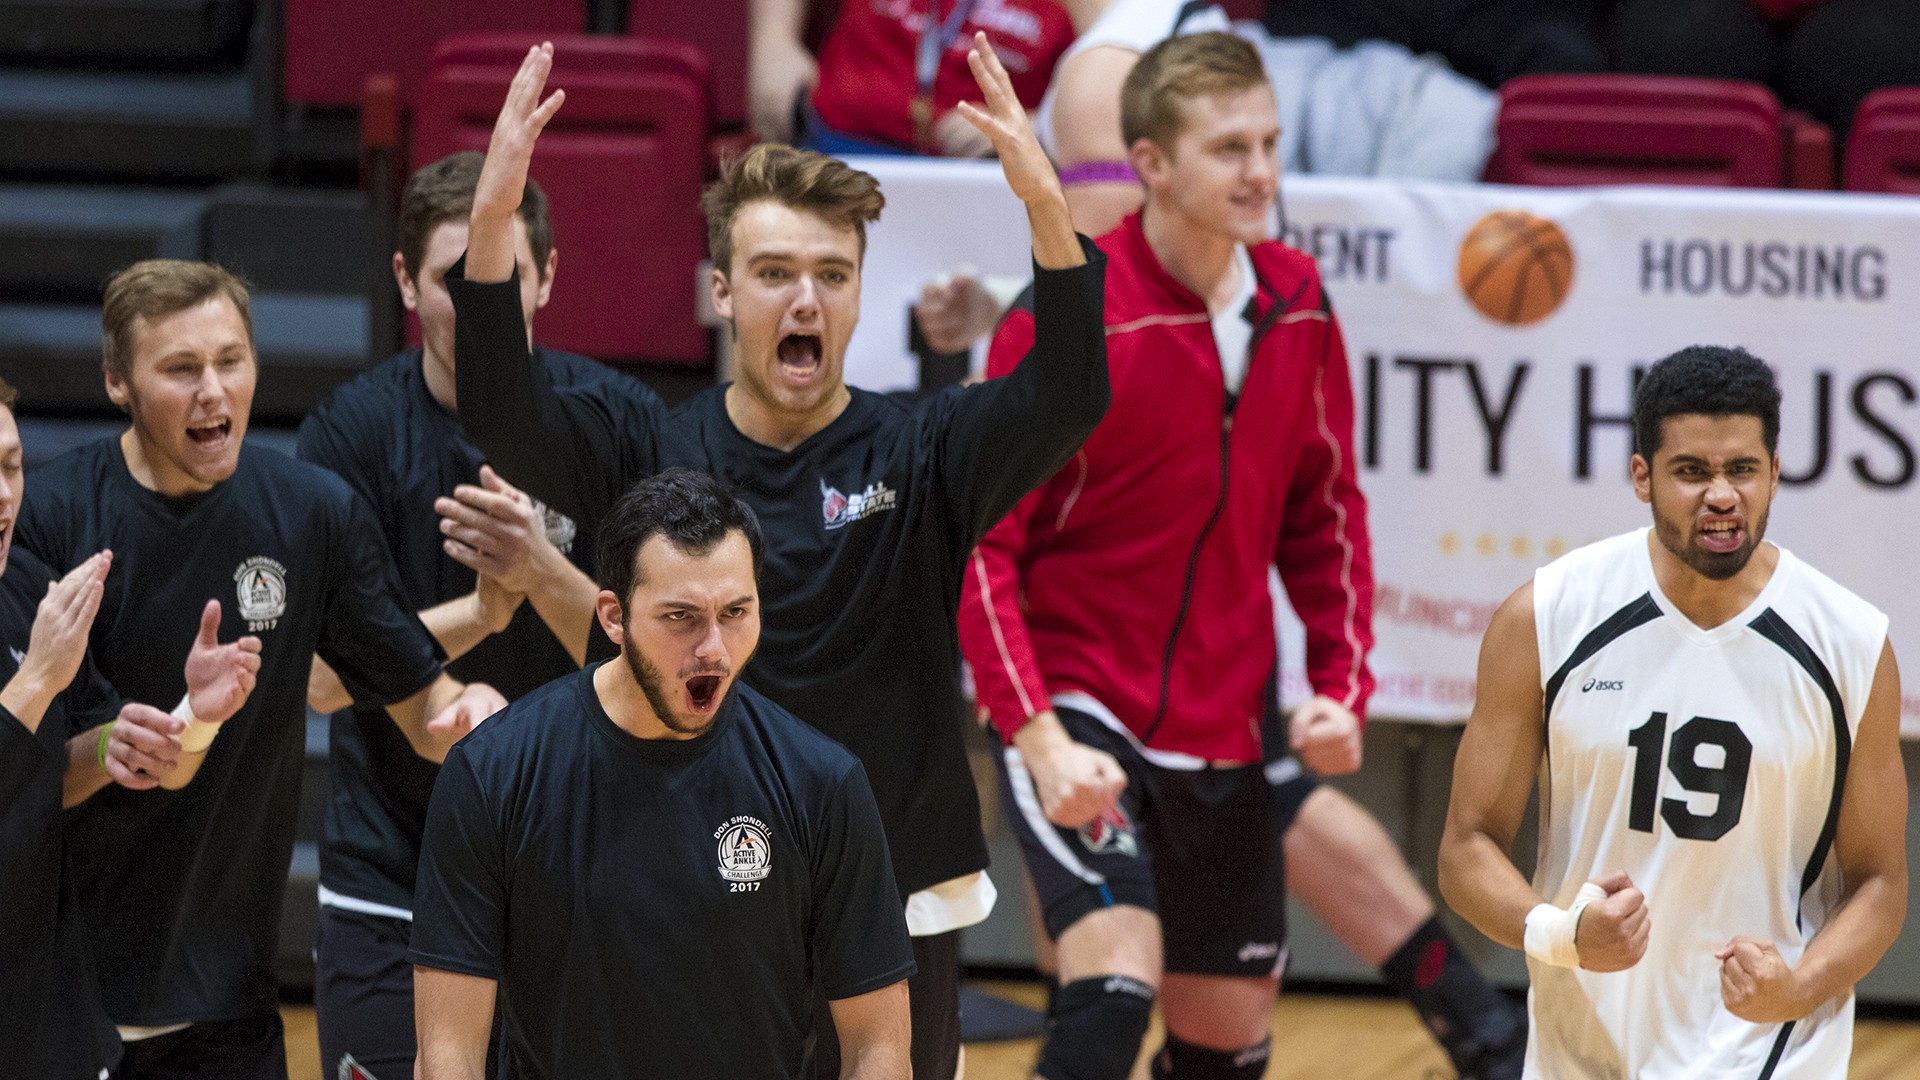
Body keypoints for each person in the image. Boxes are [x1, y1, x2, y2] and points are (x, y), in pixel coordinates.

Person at [451, 39, 1107, 1079]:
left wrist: (1042, 204)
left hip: (896, 882)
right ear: (721, 292)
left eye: (831, 276)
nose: (804, 300)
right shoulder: (647, 446)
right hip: (692, 876)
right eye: (773, 274)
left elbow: (1070, 393)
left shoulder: (925, 452)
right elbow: (498, 404)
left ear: (857, 297)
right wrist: (491, 225)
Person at [957, 32, 1524, 1080]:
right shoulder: (1072, 320)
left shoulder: (1297, 301)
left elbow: (1327, 517)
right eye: (1229, 149)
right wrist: (1035, 734)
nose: (1261, 170)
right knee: (1113, 991)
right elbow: (984, 549)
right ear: (1150, 165)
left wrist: (1343, 688)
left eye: (1268, 143)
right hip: (1083, 709)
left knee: (1225, 1044)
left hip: (1224, 734)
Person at [15, 259, 506, 1079]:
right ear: (116, 382)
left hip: (228, 1005)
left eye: (230, 360)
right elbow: (22, 777)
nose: (213, 390)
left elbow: (426, 710)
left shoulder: (313, 513)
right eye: (180, 369)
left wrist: (474, 714)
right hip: (64, 994)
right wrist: (109, 753)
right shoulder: (52, 517)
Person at [1439, 345, 1906, 1077]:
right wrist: (1562, 935)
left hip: (1775, 1048)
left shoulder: (1851, 643)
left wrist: (1799, 988)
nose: (1721, 495)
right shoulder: (1547, 617)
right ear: (1641, 477)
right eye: (1692, 471)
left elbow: (1881, 881)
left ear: (1776, 473)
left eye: (1742, 470)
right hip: (1584, 1048)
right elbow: (1466, 850)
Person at [412, 468, 915, 1079]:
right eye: (680, 617)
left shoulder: (823, 783)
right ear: (613, 617)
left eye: (736, 611)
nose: (714, 648)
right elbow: (448, 1053)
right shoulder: (492, 774)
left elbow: (878, 1048)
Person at [297, 150, 615, 1080]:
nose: (479, 299)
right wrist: (479, 614)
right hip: (391, 879)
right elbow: (317, 680)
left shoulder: (612, 418)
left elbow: (662, 661)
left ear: (548, 277)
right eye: (452, 277)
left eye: (506, 274)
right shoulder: (349, 435)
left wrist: (540, 571)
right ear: (404, 281)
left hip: (578, 873)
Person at [0, 376, 262, 1080]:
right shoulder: (44, 643)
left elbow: (56, 767)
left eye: (11, 464)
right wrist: (34, 683)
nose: (2, 493)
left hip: (44, 1005)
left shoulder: (27, 589)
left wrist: (180, 720)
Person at [749, 0, 1074, 155]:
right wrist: (774, 40)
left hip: (988, 167)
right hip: (843, 142)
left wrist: (1037, 125)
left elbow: (1116, 69)